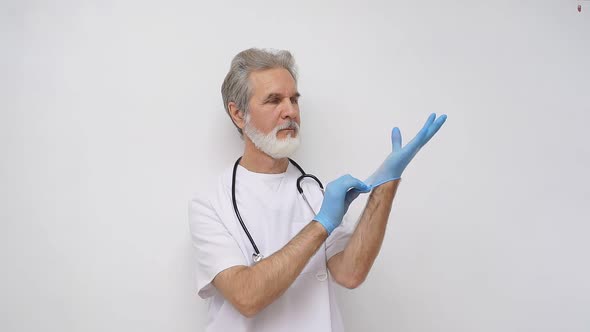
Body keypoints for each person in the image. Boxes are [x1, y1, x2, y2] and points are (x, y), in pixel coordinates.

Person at [188, 48, 447, 332]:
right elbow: (246, 296)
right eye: (274, 100)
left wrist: (385, 185)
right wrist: (321, 224)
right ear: (238, 114)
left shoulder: (313, 192)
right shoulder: (211, 204)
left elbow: (350, 273)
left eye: (294, 99)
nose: (290, 111)